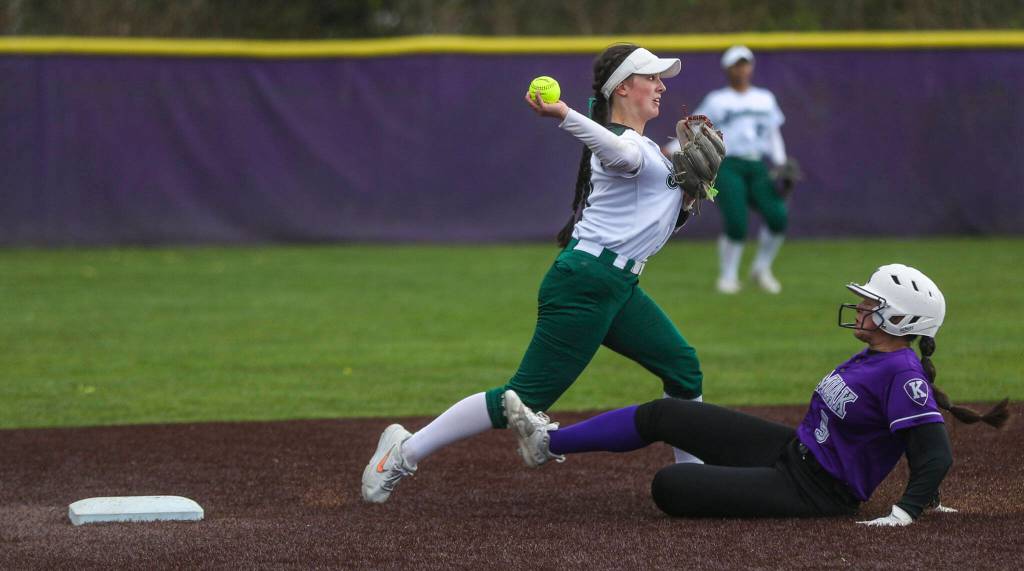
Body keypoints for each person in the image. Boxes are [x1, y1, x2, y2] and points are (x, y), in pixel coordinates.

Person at [361, 43, 724, 503]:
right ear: (624, 87)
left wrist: (691, 196)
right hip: (585, 283)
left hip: (617, 284)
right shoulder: (622, 148)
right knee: (525, 396)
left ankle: (693, 483)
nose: (661, 85)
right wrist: (565, 114)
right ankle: (401, 452)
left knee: (682, 368)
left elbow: (654, 223)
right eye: (651, 77)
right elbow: (618, 152)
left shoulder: (651, 148)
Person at [504, 263, 1010, 523]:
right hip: (793, 451)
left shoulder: (903, 373)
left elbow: (933, 450)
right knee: (668, 412)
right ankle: (548, 444)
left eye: (873, 304)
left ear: (900, 319)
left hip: (818, 492)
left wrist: (908, 511)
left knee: (671, 486)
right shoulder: (878, 356)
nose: (859, 308)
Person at [665, 45, 792, 294]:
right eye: (736, 64)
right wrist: (670, 148)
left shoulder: (764, 98)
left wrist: (780, 161)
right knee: (736, 221)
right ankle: (728, 276)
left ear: (751, 67)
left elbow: (772, 133)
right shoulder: (717, 99)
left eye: (745, 63)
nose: (741, 69)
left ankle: (761, 268)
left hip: (756, 163)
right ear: (727, 69)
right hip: (727, 164)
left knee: (777, 216)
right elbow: (695, 128)